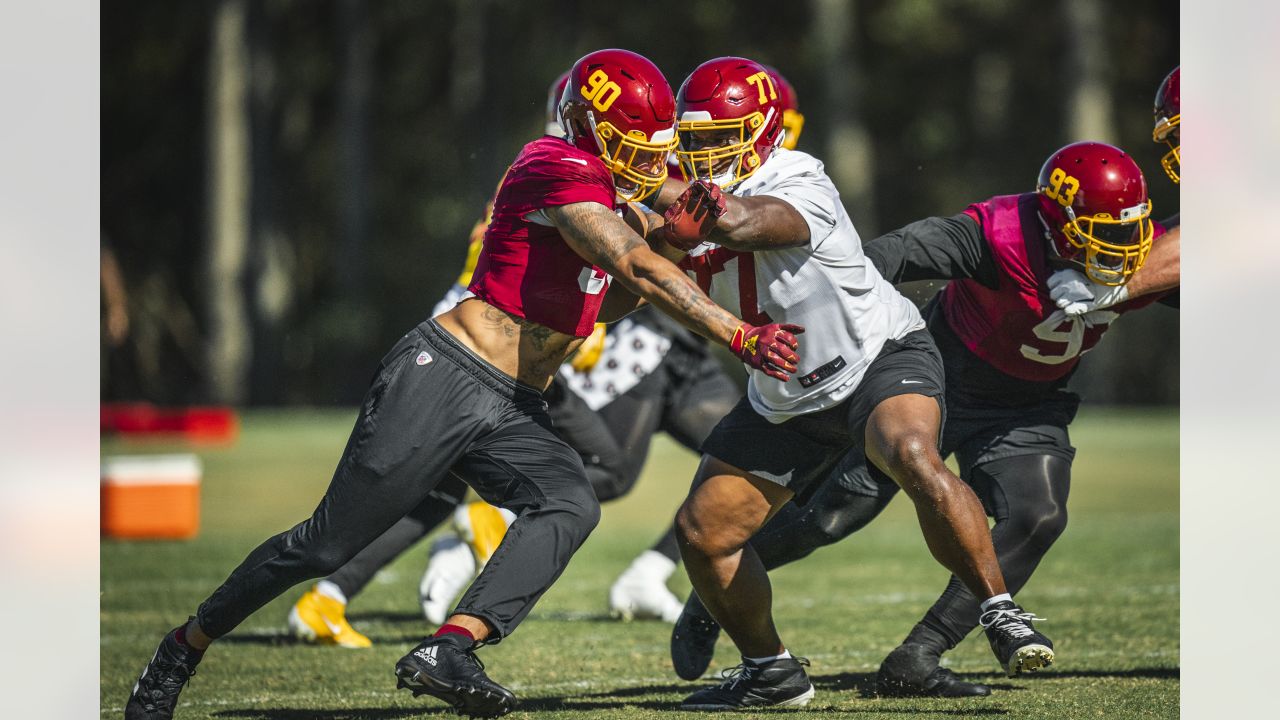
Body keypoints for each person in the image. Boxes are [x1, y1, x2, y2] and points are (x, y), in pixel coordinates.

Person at [124, 48, 805, 720]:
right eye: (634, 147)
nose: (650, 166)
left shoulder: (613, 197)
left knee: (569, 503)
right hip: (447, 374)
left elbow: (609, 302)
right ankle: (183, 647)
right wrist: (737, 334)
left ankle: (451, 648)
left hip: (515, 400)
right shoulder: (555, 163)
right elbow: (636, 268)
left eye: (654, 150)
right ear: (589, 129)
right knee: (325, 544)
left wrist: (676, 243)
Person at [670, 140, 1177, 699]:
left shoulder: (1143, 255)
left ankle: (920, 655)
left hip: (1029, 401)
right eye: (1097, 232)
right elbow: (876, 260)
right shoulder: (1000, 233)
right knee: (831, 517)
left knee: (1039, 514)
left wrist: (1126, 282)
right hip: (939, 378)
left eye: (1127, 231)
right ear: (1057, 222)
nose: (1119, 246)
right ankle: (714, 593)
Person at [652, 56, 1052, 711]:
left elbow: (754, 223)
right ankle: (771, 672)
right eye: (690, 139)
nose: (701, 152)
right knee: (703, 535)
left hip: (878, 358)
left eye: (717, 135)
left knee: (912, 455)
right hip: (785, 395)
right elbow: (637, 273)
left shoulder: (796, 173)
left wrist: (679, 209)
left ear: (761, 131)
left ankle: (1000, 609)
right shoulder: (680, 201)